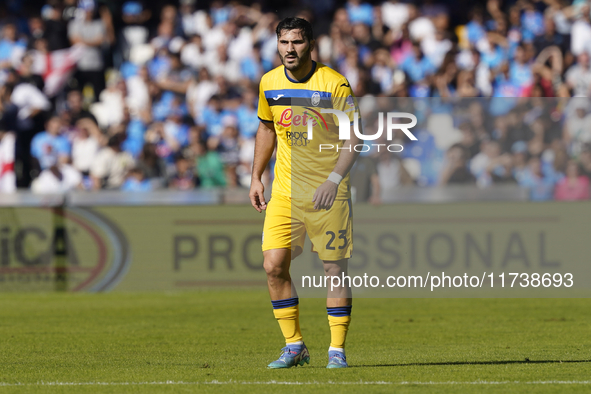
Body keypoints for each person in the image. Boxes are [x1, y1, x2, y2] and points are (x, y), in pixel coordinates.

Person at [249, 17, 360, 369]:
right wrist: (256, 177)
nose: (290, 49)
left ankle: (337, 351)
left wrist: (333, 179)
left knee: (333, 269)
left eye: (296, 42)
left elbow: (353, 139)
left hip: (327, 192)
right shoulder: (269, 82)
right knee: (273, 265)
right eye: (284, 42)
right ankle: (294, 345)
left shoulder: (334, 84)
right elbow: (266, 129)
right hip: (285, 191)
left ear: (311, 44)